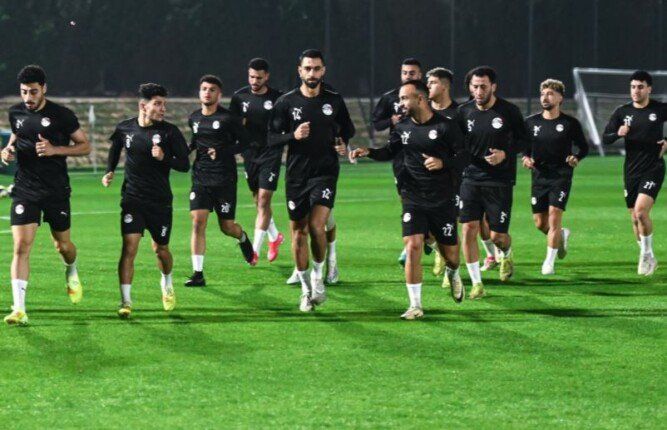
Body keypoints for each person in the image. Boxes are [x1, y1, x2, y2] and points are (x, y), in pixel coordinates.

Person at [351, 80, 468, 319]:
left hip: (443, 198)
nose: (401, 103)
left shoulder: (446, 126)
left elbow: (465, 156)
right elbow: (390, 151)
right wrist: (369, 152)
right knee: (413, 245)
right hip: (413, 196)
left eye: (405, 98)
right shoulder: (402, 127)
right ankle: (415, 305)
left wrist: (443, 162)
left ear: (420, 99)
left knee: (452, 256)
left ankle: (453, 272)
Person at [2, 65, 91, 325]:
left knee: (63, 246)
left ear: (44, 89)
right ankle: (19, 308)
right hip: (25, 189)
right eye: (24, 92)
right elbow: (17, 135)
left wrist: (55, 150)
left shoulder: (62, 115)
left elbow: (85, 146)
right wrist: (7, 150)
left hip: (55, 190)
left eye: (33, 92)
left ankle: (71, 268)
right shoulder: (15, 112)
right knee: (21, 246)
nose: (28, 97)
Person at [268, 49, 355, 312]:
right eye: (308, 68)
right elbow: (271, 138)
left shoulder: (334, 100)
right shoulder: (286, 102)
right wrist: (292, 136)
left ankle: (318, 277)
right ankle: (306, 291)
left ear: (323, 70)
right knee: (298, 232)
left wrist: (342, 143)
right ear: (300, 71)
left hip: (325, 172)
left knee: (317, 226)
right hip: (297, 175)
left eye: (317, 68)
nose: (312, 73)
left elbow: (347, 129)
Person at [103, 83, 190, 318]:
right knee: (129, 247)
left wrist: (164, 157)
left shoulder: (170, 132)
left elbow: (184, 164)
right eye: (158, 104)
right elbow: (115, 148)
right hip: (132, 199)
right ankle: (126, 301)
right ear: (143, 106)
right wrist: (109, 170)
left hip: (160, 201)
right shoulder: (125, 128)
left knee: (160, 249)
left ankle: (167, 280)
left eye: (164, 104)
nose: (163, 109)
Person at [457, 66, 527, 299]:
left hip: (500, 180)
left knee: (497, 237)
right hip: (470, 178)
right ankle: (476, 283)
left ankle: (506, 252)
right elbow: (456, 142)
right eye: (475, 87)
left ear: (493, 87)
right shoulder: (463, 112)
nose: (479, 91)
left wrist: (505, 154)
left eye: (483, 87)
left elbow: (525, 141)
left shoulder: (509, 111)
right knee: (468, 228)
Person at [185, 75, 258, 288]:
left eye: (212, 89)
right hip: (201, 178)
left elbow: (246, 142)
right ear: (199, 92)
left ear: (219, 94)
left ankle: (243, 238)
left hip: (224, 179)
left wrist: (223, 151)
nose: (207, 93)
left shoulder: (228, 119)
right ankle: (198, 273)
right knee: (198, 221)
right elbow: (195, 141)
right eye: (204, 89)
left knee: (227, 227)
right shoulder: (194, 118)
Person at [602, 70, 667, 276]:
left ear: (649, 89)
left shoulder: (660, 109)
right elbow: (605, 138)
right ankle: (649, 256)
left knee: (640, 212)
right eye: (633, 87)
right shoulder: (622, 112)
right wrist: (617, 133)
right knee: (634, 219)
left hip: (654, 167)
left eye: (640, 87)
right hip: (631, 170)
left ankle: (645, 255)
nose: (636, 91)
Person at [523, 79, 588, 274]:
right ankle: (561, 235)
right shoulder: (530, 122)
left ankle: (549, 263)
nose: (545, 97)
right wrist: (526, 157)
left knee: (554, 215)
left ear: (560, 98)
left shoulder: (570, 123)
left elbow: (583, 147)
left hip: (561, 175)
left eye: (550, 94)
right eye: (543, 94)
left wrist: (576, 157)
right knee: (540, 223)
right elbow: (524, 147)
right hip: (539, 176)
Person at [229, 58, 285, 263]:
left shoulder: (278, 98)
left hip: (271, 152)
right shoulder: (239, 97)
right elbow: (232, 125)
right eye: (251, 77)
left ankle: (255, 251)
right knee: (258, 200)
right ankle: (275, 236)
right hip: (250, 154)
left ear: (266, 77)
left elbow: (285, 123)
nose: (254, 81)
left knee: (263, 200)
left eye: (259, 78)